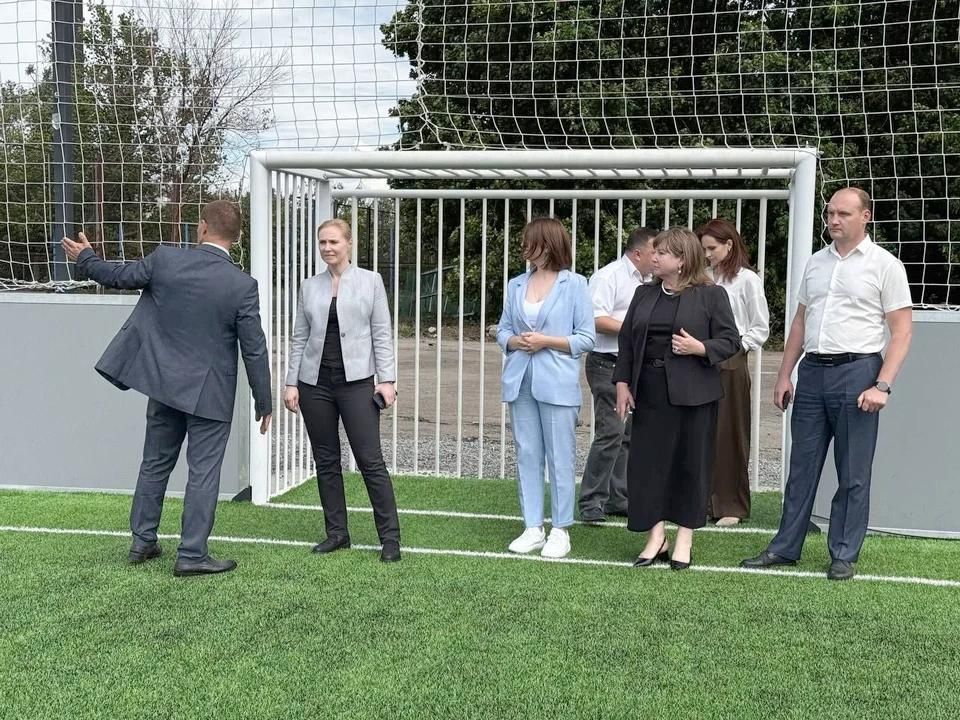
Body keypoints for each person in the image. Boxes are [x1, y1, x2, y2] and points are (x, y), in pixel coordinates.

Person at [61, 201, 273, 577]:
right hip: (210, 394)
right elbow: (254, 348)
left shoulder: (166, 260)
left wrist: (86, 257)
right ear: (237, 237)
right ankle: (191, 554)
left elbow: (117, 276)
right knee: (203, 473)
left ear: (203, 227)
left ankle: (142, 541)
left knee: (155, 463)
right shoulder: (243, 285)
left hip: (163, 386)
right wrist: (263, 400)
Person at [741, 188, 913, 580]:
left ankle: (843, 553)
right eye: (830, 213)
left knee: (853, 472)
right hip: (813, 372)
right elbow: (801, 321)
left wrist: (882, 385)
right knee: (801, 467)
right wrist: (784, 374)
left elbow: (902, 331)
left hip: (859, 371)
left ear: (866, 216)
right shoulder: (816, 263)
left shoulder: (885, 265)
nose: (834, 220)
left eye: (843, 214)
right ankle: (785, 547)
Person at [613, 227, 740, 570]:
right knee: (647, 466)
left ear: (682, 260)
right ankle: (656, 536)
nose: (653, 258)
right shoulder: (643, 293)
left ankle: (685, 537)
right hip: (649, 392)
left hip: (694, 395)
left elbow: (731, 341)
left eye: (662, 253)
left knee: (690, 465)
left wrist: (700, 347)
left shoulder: (711, 295)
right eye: (654, 252)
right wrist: (622, 382)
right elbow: (627, 341)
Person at [283, 218, 402, 563]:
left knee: (370, 460)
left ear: (349, 243)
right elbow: (299, 337)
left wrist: (387, 379)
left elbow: (382, 333)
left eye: (333, 241)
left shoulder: (371, 281)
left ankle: (390, 539)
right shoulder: (309, 286)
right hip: (314, 384)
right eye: (322, 242)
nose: (327, 248)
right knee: (326, 460)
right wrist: (291, 382)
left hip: (358, 383)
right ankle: (337, 533)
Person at [497, 217, 595, 559]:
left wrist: (546, 341)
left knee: (560, 457)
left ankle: (561, 529)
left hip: (557, 382)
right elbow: (503, 330)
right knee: (527, 453)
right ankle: (532, 526)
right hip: (520, 379)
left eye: (532, 242)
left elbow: (586, 337)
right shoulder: (516, 284)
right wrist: (515, 342)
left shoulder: (575, 284)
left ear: (549, 244)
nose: (525, 248)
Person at [578, 227, 658, 524]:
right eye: (654, 252)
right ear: (638, 253)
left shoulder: (650, 281)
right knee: (611, 432)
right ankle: (591, 501)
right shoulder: (608, 276)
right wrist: (635, 329)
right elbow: (594, 319)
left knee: (627, 434)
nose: (658, 258)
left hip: (632, 364)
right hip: (606, 362)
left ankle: (617, 497)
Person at [698, 218, 770, 526]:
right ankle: (702, 501)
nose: (707, 254)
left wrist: (737, 347)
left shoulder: (747, 280)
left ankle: (731, 506)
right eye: (704, 249)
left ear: (729, 245)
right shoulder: (703, 278)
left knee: (730, 433)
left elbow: (760, 327)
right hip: (700, 357)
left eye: (712, 248)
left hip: (730, 359)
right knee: (701, 432)